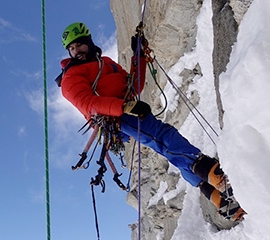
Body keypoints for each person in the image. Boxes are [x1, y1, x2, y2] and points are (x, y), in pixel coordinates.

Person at [56, 22, 245, 221]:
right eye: (71, 48)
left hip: (127, 109)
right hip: (115, 117)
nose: (75, 50)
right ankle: (216, 174)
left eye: (78, 44)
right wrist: (124, 107)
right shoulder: (71, 77)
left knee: (165, 144)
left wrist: (138, 56)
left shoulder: (106, 62)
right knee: (163, 137)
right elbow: (87, 103)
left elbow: (134, 84)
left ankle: (217, 197)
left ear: (88, 41)